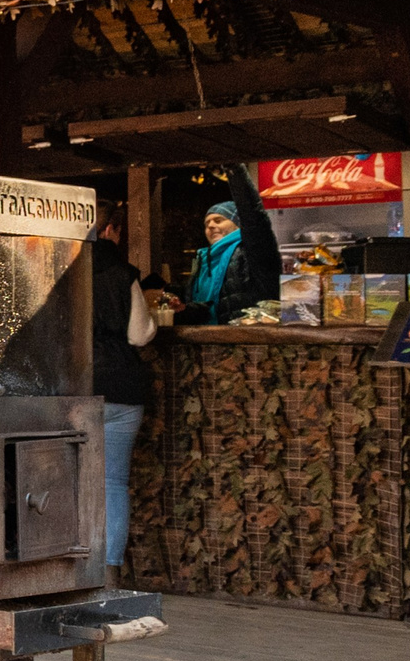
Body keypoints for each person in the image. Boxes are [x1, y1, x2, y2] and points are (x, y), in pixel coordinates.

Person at [91, 210, 157, 579]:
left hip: (76, 389)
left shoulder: (57, 266)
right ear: (111, 230)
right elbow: (139, 334)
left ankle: (68, 567)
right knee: (113, 483)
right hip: (122, 388)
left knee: (67, 479)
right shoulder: (122, 272)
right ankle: (109, 573)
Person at [176, 164, 282, 324]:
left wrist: (235, 169)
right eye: (206, 224)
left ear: (238, 224)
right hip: (206, 342)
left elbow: (254, 217)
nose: (211, 226)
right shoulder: (202, 259)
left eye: (219, 220)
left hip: (248, 343)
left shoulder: (251, 251)